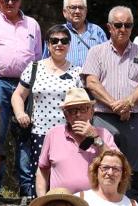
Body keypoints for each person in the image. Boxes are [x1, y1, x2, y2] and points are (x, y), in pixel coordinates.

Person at [82, 6, 138, 199]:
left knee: (135, 167)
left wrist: (129, 103)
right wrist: (115, 105)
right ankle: (101, 202)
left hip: (134, 117)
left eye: (128, 25)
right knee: (103, 163)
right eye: (118, 25)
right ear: (109, 27)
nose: (123, 29)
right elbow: (91, 82)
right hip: (103, 117)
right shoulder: (96, 52)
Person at [13, 23, 85, 196]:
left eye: (64, 40)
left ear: (69, 45)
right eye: (54, 41)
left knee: (64, 174)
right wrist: (21, 113)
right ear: (48, 44)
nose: (59, 44)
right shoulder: (34, 68)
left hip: (67, 134)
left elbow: (83, 104)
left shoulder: (77, 72)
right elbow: (18, 95)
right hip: (39, 132)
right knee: (40, 174)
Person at [0, 0, 43, 195]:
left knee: (26, 133)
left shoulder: (32, 24)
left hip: (27, 85)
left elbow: (37, 57)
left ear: (20, 0)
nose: (10, 3)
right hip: (0, 83)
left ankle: (26, 187)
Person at [36, 88, 115, 195]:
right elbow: (42, 169)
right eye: (72, 110)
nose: (78, 114)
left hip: (95, 205)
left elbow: (116, 164)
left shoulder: (104, 134)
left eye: (83, 109)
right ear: (65, 115)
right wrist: (42, 199)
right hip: (60, 203)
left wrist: (95, 138)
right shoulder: (53, 134)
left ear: (91, 112)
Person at [60, 0, 108, 67]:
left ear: (86, 11)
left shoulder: (97, 31)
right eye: (73, 7)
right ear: (64, 12)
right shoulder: (57, 32)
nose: (77, 11)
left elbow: (107, 58)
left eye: (81, 7)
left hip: (93, 77)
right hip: (63, 77)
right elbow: (47, 60)